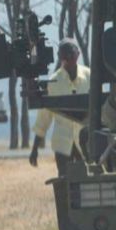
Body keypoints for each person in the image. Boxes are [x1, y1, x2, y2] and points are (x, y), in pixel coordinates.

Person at [30, 38, 91, 173]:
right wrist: (35, 148)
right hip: (63, 145)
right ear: (60, 58)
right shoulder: (54, 82)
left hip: (86, 142)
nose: (68, 60)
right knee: (65, 183)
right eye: (64, 56)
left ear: (78, 55)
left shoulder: (89, 76)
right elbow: (44, 117)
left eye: (71, 55)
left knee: (88, 181)